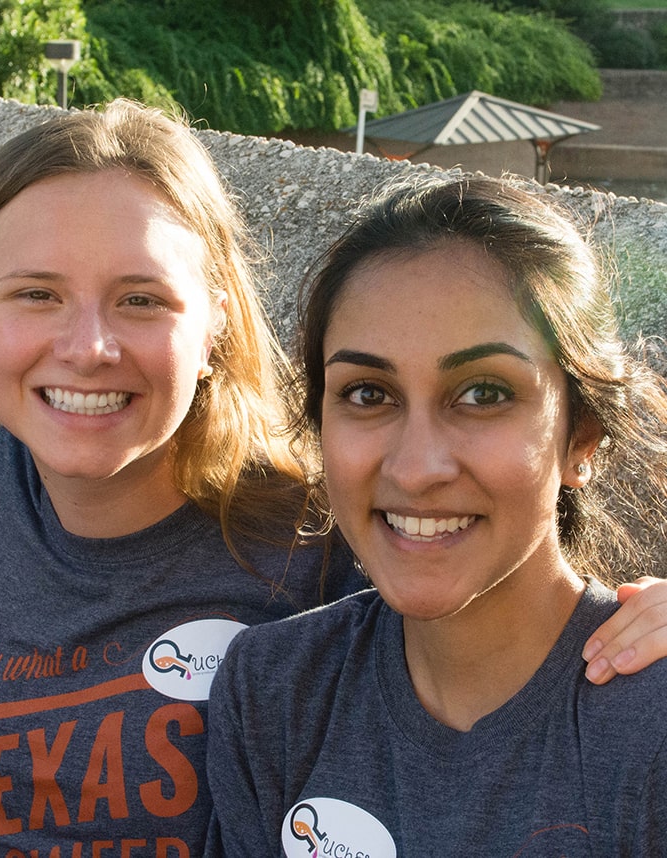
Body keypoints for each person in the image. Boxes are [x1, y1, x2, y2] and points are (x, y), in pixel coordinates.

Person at [0, 101, 667, 857]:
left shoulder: (315, 533)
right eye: (36, 294)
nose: (88, 347)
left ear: (214, 325)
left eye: (141, 299)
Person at [205, 174, 667, 856]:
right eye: (367, 393)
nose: (417, 468)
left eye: (484, 393)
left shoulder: (650, 726)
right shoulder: (273, 693)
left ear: (582, 436)